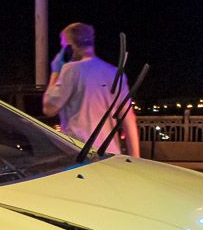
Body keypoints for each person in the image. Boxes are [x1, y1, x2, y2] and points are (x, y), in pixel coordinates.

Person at [42, 22, 140, 157]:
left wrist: (55, 71)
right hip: (110, 155)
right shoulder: (114, 73)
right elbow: (128, 119)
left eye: (63, 46)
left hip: (79, 155)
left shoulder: (71, 70)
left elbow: (48, 108)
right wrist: (135, 159)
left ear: (69, 47)